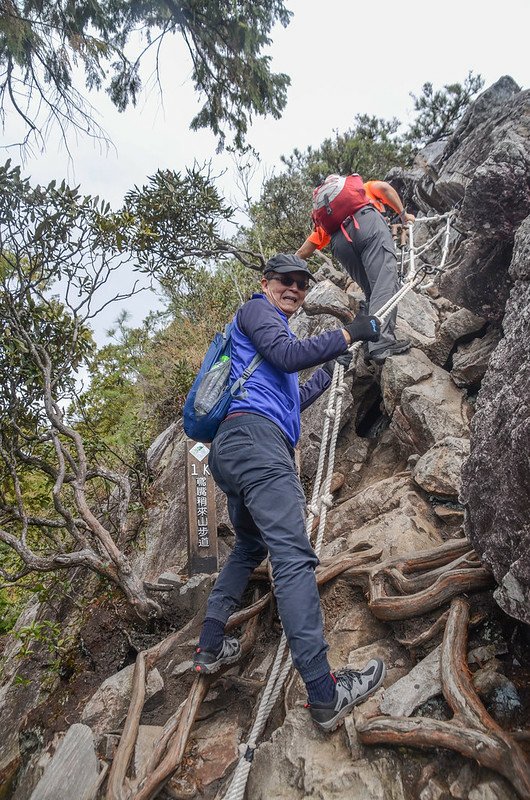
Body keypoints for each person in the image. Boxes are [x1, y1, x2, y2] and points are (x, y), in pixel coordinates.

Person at [192, 253, 386, 733]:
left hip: (236, 450)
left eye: (301, 284)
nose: (295, 289)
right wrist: (348, 333)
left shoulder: (266, 342)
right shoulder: (257, 311)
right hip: (258, 445)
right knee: (294, 556)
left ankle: (210, 645)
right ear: (266, 282)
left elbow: (290, 395)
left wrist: (331, 367)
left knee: (251, 546)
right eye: (287, 281)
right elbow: (286, 356)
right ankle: (324, 693)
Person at [296, 177, 416, 365]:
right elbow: (384, 188)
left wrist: (285, 268)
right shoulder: (363, 188)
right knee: (385, 282)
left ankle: (371, 340)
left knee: (372, 291)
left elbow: (306, 249)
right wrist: (403, 215)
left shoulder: (329, 217)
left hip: (339, 243)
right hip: (367, 224)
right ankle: (381, 343)